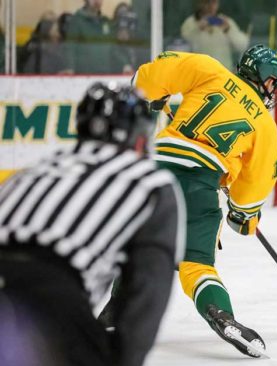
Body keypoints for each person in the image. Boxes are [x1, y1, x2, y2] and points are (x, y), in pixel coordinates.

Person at [0, 83, 184, 366]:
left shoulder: (31, 172)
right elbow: (148, 288)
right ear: (139, 136)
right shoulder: (150, 182)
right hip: (46, 298)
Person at [127, 45, 277, 357]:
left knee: (136, 245)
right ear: (267, 82)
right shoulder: (265, 125)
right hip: (199, 183)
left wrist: (153, 95)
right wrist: (243, 214)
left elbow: (149, 76)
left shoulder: (209, 69)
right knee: (196, 264)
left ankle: (114, 311)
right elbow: (258, 179)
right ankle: (221, 314)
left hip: (151, 171)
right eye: (275, 84)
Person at [181, 0, 251, 70]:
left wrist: (228, 30)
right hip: (199, 72)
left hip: (223, 72)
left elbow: (242, 46)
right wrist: (197, 29)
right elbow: (182, 49)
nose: (210, 6)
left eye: (214, 2)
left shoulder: (226, 22)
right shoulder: (190, 23)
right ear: (200, 3)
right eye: (207, 2)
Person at [64, 0, 115, 74]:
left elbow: (114, 48)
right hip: (84, 73)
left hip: (105, 72)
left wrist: (124, 64)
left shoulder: (106, 21)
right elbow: (70, 47)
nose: (97, 1)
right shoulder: (77, 20)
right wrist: (70, 67)